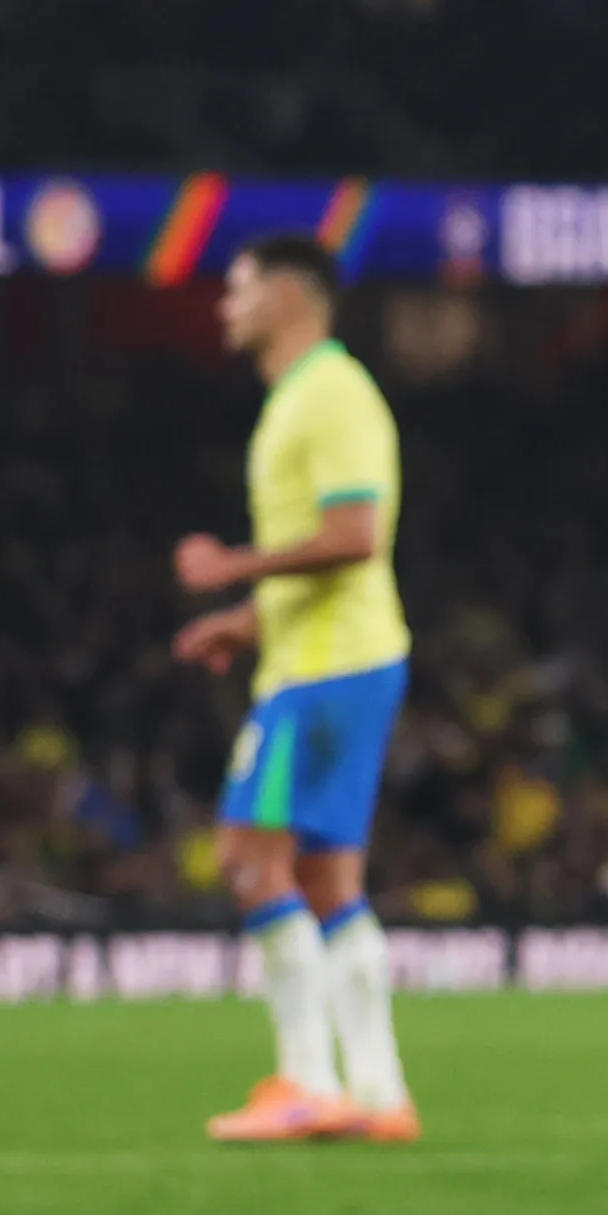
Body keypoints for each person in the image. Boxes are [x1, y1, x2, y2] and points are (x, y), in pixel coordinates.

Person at [174, 233, 421, 1144]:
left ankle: (309, 1083)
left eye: (235, 287)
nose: (223, 306)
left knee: (247, 858)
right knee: (324, 878)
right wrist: (247, 620)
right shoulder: (307, 395)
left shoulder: (329, 394)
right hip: (332, 656)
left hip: (326, 670)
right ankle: (381, 1093)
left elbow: (357, 536)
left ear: (287, 295)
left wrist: (232, 568)